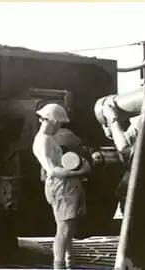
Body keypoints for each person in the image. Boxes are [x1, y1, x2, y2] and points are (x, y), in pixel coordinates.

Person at [32, 103, 91, 270]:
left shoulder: (48, 139)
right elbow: (53, 171)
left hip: (65, 186)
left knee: (69, 227)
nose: (60, 127)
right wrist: (80, 171)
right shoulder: (43, 141)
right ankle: (59, 265)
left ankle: (69, 262)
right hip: (60, 186)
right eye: (59, 123)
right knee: (63, 229)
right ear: (52, 121)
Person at [102, 100, 143, 212]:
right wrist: (113, 130)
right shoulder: (140, 120)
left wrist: (113, 120)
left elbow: (124, 148)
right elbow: (128, 139)